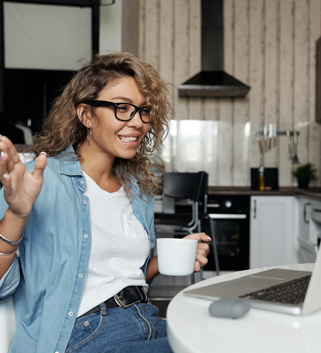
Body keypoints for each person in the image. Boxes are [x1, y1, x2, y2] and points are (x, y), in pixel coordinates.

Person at [0, 52, 210, 353]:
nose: (137, 122)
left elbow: (121, 275)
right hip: (82, 336)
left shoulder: (138, 189)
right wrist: (17, 214)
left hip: (147, 321)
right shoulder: (38, 181)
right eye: (122, 108)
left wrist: (159, 263)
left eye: (144, 111)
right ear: (86, 115)